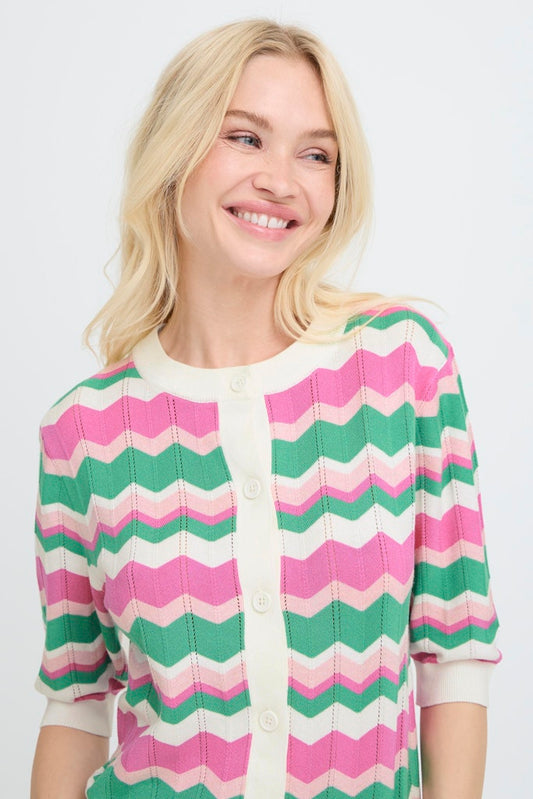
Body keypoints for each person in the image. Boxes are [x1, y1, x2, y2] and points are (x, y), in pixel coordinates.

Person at [30, 18, 500, 799]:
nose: (281, 180)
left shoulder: (402, 364)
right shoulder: (83, 431)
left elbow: (454, 652)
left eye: (315, 154)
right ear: (174, 152)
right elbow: (77, 701)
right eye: (244, 138)